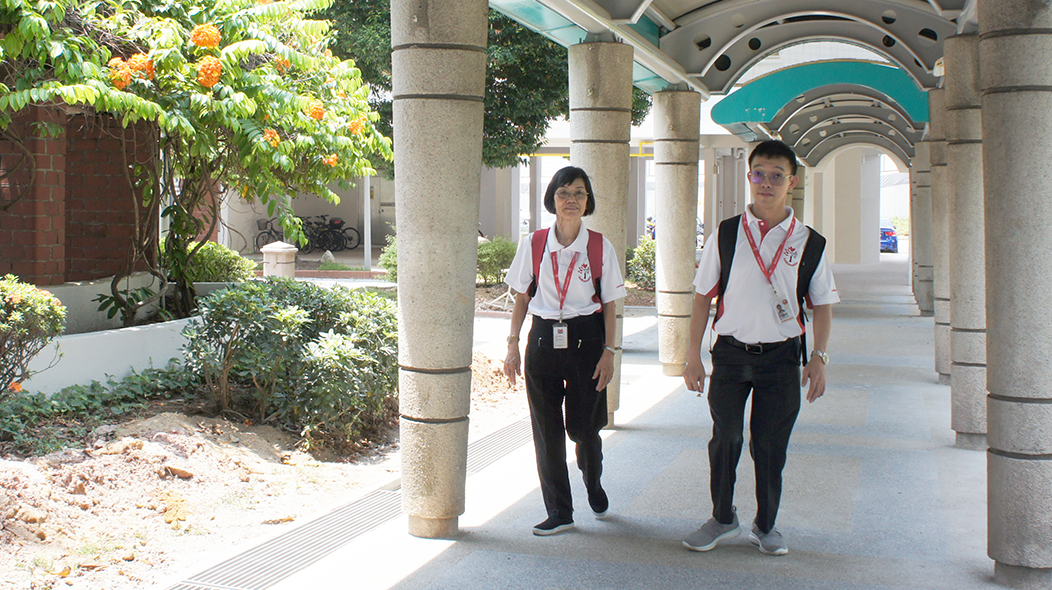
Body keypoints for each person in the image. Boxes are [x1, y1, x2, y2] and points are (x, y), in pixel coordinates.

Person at [681, 139, 839, 556]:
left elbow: (822, 307)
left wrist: (819, 358)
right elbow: (701, 299)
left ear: (792, 181)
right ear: (748, 177)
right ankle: (721, 517)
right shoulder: (727, 233)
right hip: (731, 355)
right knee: (726, 439)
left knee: (769, 445)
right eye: (758, 174)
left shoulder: (810, 242)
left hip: (782, 358)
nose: (765, 183)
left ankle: (766, 525)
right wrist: (691, 355)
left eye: (775, 176)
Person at [503, 166, 627, 536]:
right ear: (552, 199)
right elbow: (522, 297)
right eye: (563, 192)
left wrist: (610, 350)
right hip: (542, 340)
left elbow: (610, 304)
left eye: (579, 193)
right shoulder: (535, 243)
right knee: (547, 430)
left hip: (587, 341)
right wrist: (512, 344)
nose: (571, 199)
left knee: (584, 429)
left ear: (588, 201)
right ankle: (560, 510)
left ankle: (592, 480)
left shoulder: (599, 246)